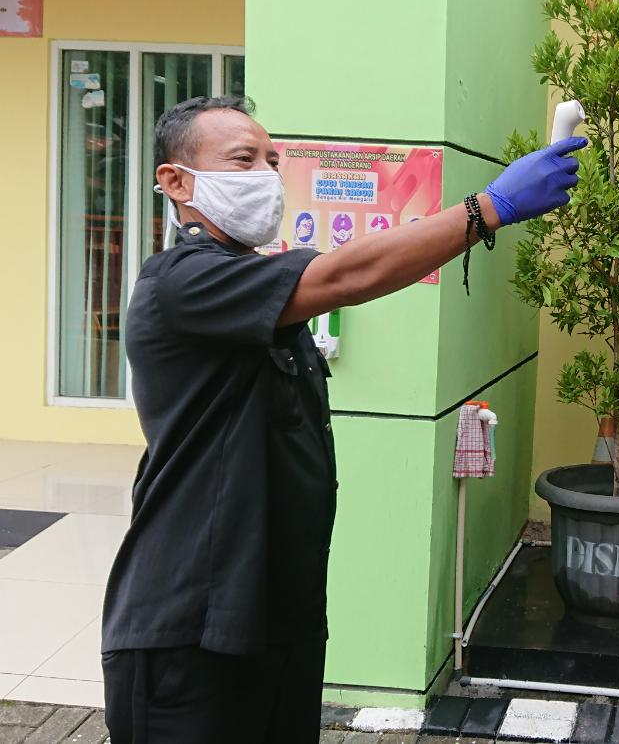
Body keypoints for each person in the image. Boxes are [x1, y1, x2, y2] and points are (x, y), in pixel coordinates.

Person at [100, 96, 585, 744]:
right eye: (243, 159)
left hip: (279, 625)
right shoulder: (179, 282)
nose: (265, 176)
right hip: (189, 631)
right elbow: (350, 274)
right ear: (175, 182)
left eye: (272, 162)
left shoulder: (254, 285)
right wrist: (487, 208)